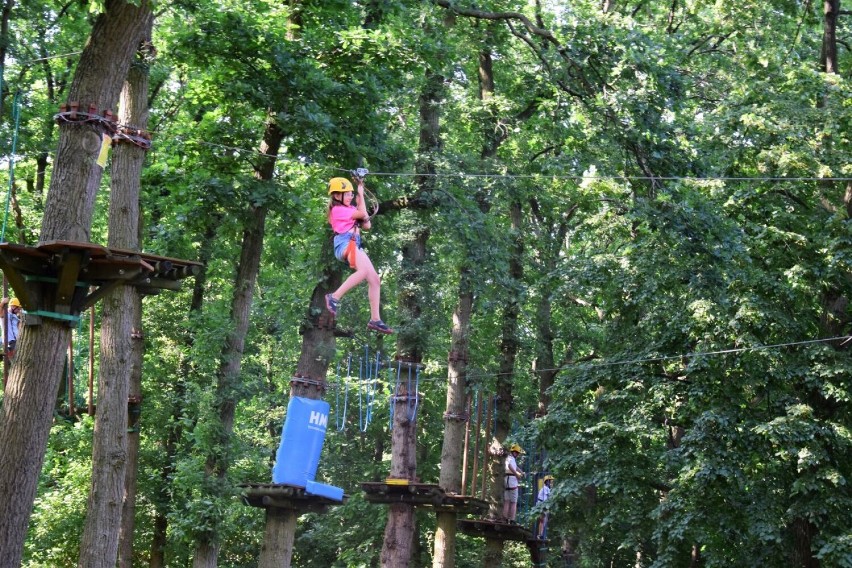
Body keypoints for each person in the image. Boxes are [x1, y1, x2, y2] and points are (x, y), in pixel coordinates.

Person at [324, 176, 393, 334]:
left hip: (354, 244)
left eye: (351, 193)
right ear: (336, 196)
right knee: (362, 272)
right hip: (345, 244)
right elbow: (362, 213)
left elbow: (367, 224)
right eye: (347, 194)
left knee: (375, 279)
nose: (350, 196)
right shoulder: (338, 210)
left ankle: (375, 319)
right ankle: (334, 297)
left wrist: (360, 194)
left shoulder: (350, 210)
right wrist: (361, 193)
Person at [502, 443, 525, 522]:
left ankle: (505, 518)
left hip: (507, 481)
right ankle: (512, 519)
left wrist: (521, 472)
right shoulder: (510, 459)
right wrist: (517, 475)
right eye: (517, 453)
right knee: (514, 502)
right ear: (514, 452)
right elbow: (509, 466)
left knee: (507, 501)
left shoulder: (509, 458)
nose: (518, 455)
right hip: (512, 481)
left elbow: (514, 467)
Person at [536, 475, 554, 539]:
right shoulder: (545, 488)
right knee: (542, 520)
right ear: (547, 482)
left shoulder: (547, 488)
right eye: (551, 482)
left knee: (544, 520)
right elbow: (550, 497)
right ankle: (540, 534)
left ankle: (541, 534)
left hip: (544, 505)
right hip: (542, 505)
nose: (552, 483)